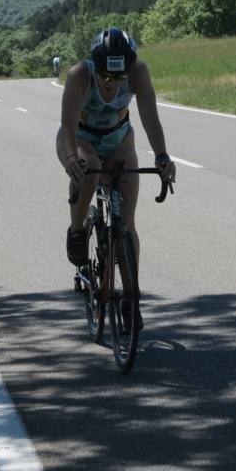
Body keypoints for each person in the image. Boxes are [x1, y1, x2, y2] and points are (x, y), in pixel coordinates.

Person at [56, 28, 176, 321]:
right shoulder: (79, 75)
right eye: (106, 78)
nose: (111, 84)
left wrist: (162, 156)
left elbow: (149, 117)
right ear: (96, 68)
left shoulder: (138, 72)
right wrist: (71, 157)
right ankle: (77, 230)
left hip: (119, 138)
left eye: (118, 78)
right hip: (80, 138)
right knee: (89, 168)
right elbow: (68, 124)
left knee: (128, 222)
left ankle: (131, 298)